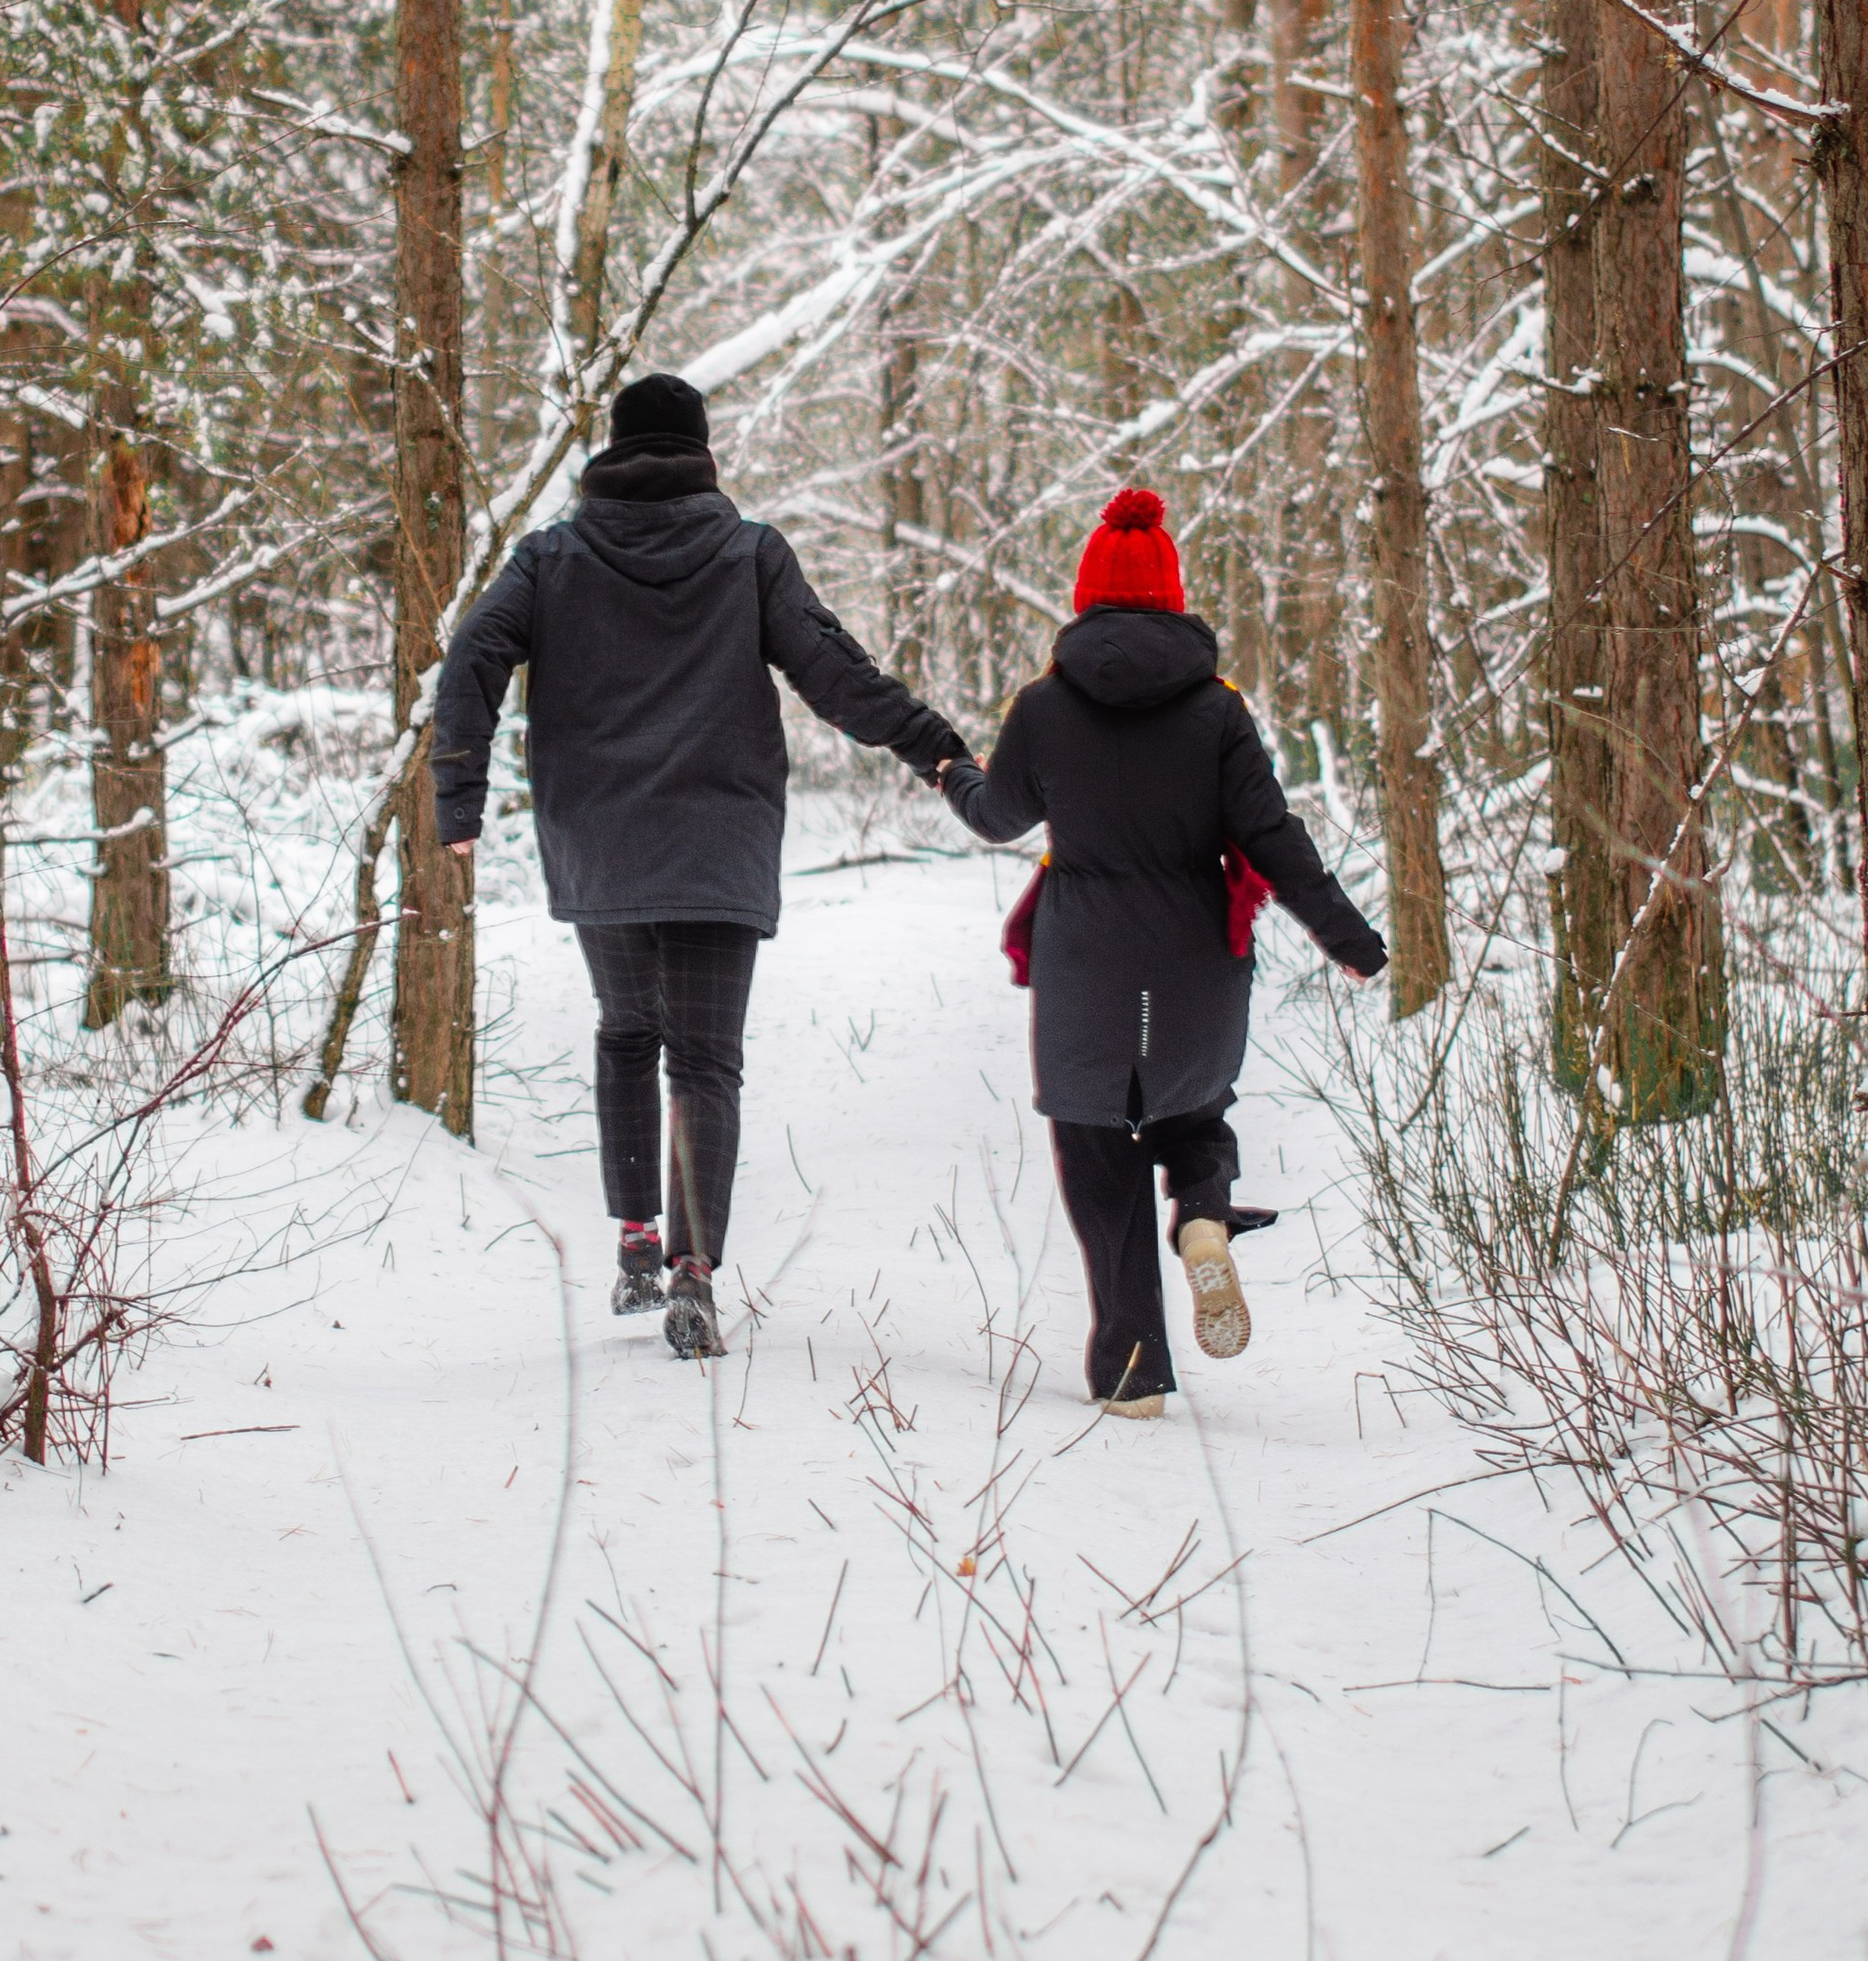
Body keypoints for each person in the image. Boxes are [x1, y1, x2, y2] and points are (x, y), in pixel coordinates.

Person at [434, 371, 967, 1359]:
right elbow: (836, 677)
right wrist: (937, 750)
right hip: (720, 847)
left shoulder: (550, 556)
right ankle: (692, 1272)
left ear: (610, 452)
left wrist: (456, 799)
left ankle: (637, 1241)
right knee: (705, 1062)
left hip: (598, 845)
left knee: (628, 1031)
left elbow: (470, 654)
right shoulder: (746, 552)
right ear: (701, 452)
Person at [938, 486, 1385, 1419]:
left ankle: (1132, 1366)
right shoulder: (1218, 711)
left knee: (1096, 1144)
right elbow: (1273, 837)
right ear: (1175, 596)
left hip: (1084, 964)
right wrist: (1348, 937)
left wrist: (957, 774)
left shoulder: (1045, 705)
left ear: (1087, 593)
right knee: (1194, 1108)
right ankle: (1202, 1214)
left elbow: (998, 816)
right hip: (1193, 958)